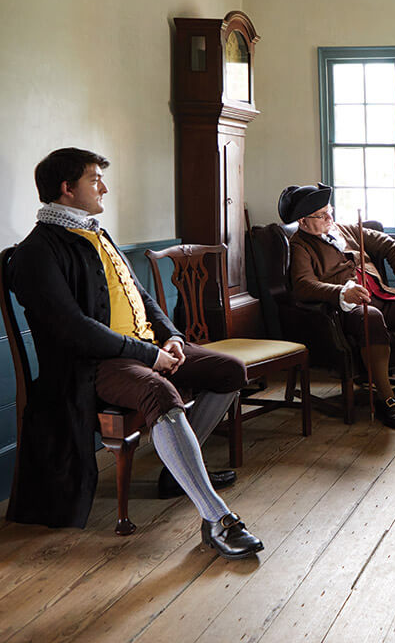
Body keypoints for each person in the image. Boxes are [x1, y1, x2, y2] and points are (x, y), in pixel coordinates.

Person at [6, 148, 263, 559]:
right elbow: (74, 330)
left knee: (229, 370)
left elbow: (141, 296)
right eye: (94, 179)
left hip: (145, 350)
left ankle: (178, 474)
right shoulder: (37, 251)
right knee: (160, 394)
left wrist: (173, 338)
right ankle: (217, 519)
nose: (103, 187)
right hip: (92, 367)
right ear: (66, 189)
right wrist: (149, 356)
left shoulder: (95, 232)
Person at [279, 183, 395, 430]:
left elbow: (389, 245)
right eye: (322, 215)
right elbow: (303, 285)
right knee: (371, 317)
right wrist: (341, 291)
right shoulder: (300, 245)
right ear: (303, 222)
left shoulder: (346, 229)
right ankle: (386, 398)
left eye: (330, 211)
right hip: (346, 311)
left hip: (382, 297)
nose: (330, 218)